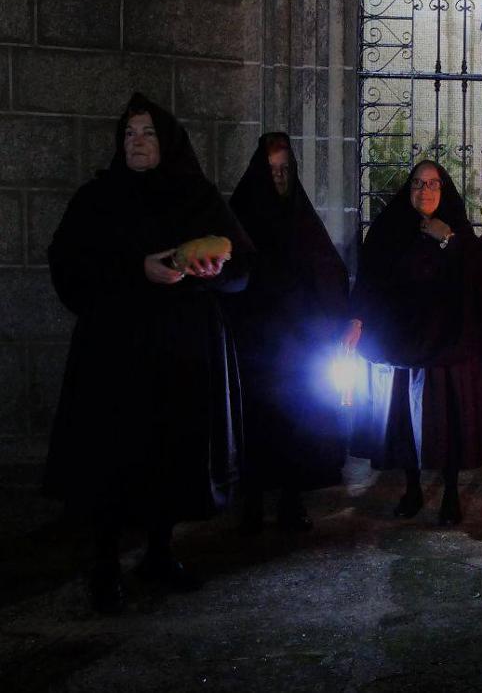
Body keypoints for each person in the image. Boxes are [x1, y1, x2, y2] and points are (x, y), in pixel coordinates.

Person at [45, 92, 254, 613]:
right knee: (110, 457)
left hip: (180, 351)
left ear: (169, 142)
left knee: (170, 452)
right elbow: (69, 264)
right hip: (114, 353)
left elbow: (244, 266)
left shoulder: (197, 196)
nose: (136, 142)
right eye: (129, 134)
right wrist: (136, 269)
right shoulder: (98, 199)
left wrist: (214, 271)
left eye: (148, 133)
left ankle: (160, 553)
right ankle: (104, 566)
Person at [345, 160, 482, 526]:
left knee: (446, 421)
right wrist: (356, 321)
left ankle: (449, 492)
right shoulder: (388, 229)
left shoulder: (456, 230)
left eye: (433, 184)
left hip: (446, 341)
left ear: (443, 190)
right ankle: (412, 488)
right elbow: (368, 280)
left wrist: (447, 239)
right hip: (400, 340)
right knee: (404, 421)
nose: (425, 191)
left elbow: (478, 277)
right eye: (418, 183)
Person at [226, 133, 349, 533]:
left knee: (295, 423)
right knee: (254, 424)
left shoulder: (300, 215)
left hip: (296, 345)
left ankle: (291, 500)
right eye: (271, 169)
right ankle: (252, 503)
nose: (278, 178)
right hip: (254, 345)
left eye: (284, 169)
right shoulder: (240, 213)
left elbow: (328, 269)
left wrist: (333, 319)